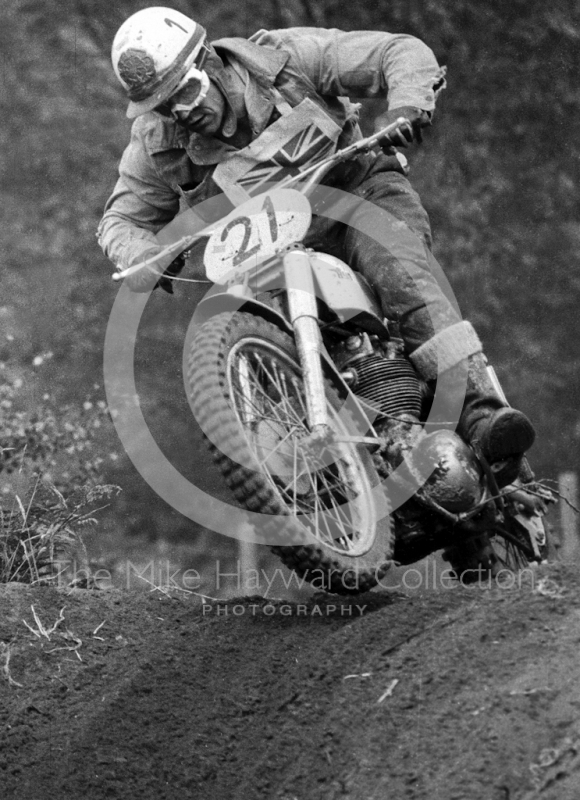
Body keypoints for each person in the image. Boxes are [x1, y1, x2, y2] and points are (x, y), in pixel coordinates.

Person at [98, 6, 535, 492]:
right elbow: (120, 220)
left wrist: (408, 103)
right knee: (250, 325)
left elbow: (397, 50)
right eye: (165, 105)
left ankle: (480, 415)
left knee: (397, 272)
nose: (181, 111)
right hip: (272, 249)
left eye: (186, 92)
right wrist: (142, 254)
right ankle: (313, 477)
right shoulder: (156, 143)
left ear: (210, 63)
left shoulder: (286, 59)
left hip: (360, 196)